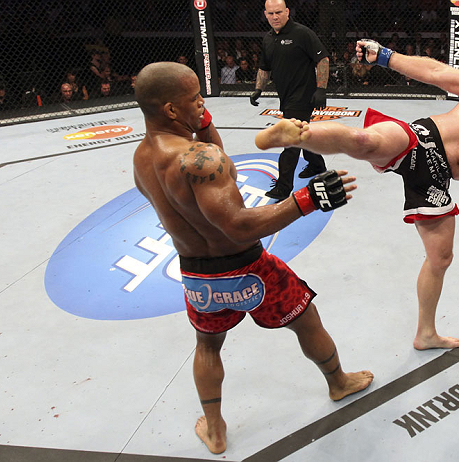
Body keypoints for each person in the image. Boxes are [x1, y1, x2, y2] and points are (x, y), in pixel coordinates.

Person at [255, 39, 459, 350]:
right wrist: (385, 57)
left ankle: (425, 334)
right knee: (365, 142)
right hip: (422, 139)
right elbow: (436, 74)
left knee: (441, 258)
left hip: (437, 180)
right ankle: (299, 134)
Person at [132, 61, 373, 455]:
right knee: (307, 321)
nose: (202, 105)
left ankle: (215, 429)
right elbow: (238, 224)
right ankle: (338, 382)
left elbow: (206, 172)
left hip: (198, 279)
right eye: (195, 99)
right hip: (250, 269)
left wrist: (203, 122)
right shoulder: (201, 160)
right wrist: (307, 199)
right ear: (171, 110)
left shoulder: (143, 161)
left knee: (208, 346)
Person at [250, 0, 329, 201]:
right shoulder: (268, 39)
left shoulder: (302, 33)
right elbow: (264, 67)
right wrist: (258, 88)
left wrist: (321, 89)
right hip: (285, 96)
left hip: (303, 95)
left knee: (290, 141)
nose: (275, 17)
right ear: (265, 14)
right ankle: (317, 165)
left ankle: (284, 187)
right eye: (270, 13)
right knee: (302, 132)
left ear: (287, 12)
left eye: (278, 12)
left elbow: (322, 59)